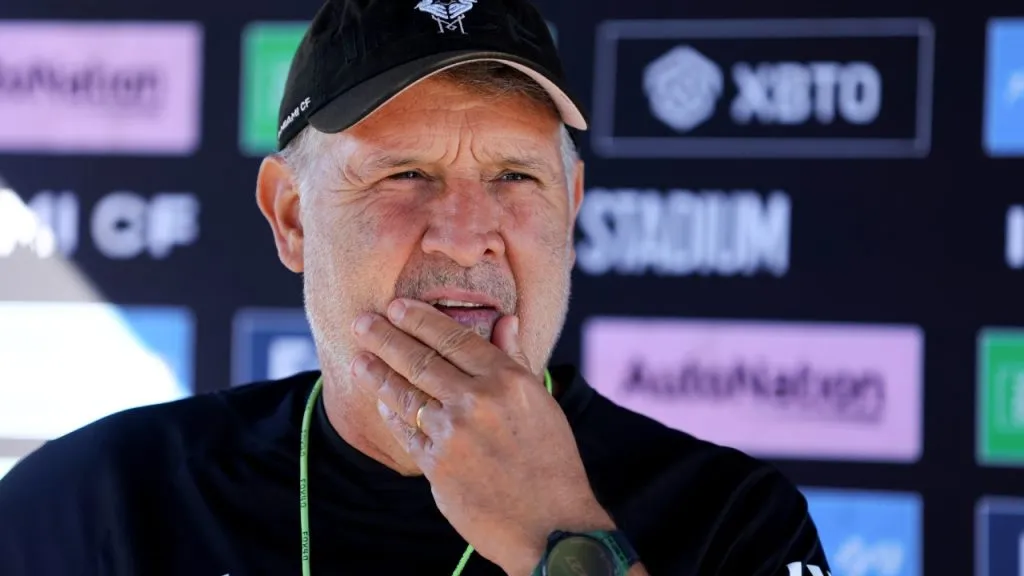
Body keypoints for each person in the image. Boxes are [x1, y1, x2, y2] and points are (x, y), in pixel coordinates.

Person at [0, 1, 832, 574]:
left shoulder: (732, 522)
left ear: (570, 212)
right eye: (405, 174)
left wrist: (561, 540)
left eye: (514, 175)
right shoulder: (103, 502)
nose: (467, 233)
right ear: (290, 218)